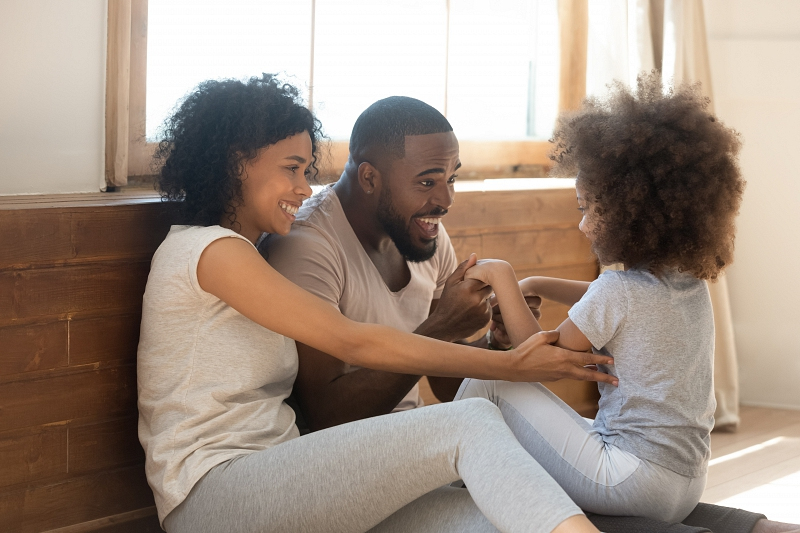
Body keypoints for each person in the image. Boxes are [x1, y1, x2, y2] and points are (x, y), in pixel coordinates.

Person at [264, 92, 797, 533]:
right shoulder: (311, 248)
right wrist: (445, 330)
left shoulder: (424, 231)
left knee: (527, 469)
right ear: (371, 176)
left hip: (430, 440)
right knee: (530, 496)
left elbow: (452, 387)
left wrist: (494, 346)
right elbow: (325, 418)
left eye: (453, 178)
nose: (445, 200)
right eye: (428, 181)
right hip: (346, 459)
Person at [136, 74, 607, 533]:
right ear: (237, 163)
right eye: (291, 168)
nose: (304, 187)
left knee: (487, 518)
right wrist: (514, 366)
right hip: (215, 496)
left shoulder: (247, 253)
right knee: (469, 422)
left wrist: (498, 351)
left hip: (290, 475)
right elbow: (351, 340)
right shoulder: (209, 251)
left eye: (306, 170)